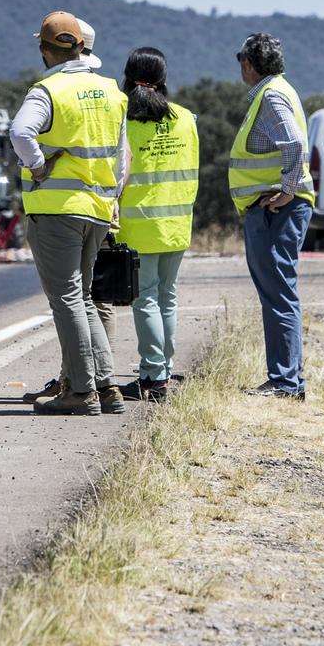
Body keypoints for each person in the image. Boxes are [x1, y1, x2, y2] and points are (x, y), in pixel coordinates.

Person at [12, 11, 130, 416]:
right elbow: (122, 154)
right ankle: (107, 385)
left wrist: (38, 166)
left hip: (57, 209)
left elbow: (20, 132)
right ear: (81, 46)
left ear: (45, 51)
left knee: (66, 299)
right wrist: (112, 196)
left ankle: (81, 393)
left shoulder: (47, 90)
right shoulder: (112, 91)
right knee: (82, 297)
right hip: (97, 208)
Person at [230, 33, 315, 400]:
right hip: (276, 208)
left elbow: (294, 143)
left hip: (275, 210)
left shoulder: (271, 96)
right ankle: (288, 379)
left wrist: (288, 188)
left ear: (249, 63)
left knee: (278, 292)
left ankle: (284, 381)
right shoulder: (280, 90)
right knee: (280, 291)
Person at [116, 47, 198, 403]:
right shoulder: (185, 118)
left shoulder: (123, 120)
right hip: (178, 223)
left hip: (140, 225)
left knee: (145, 298)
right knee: (168, 297)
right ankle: (162, 367)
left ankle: (152, 376)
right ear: (164, 79)